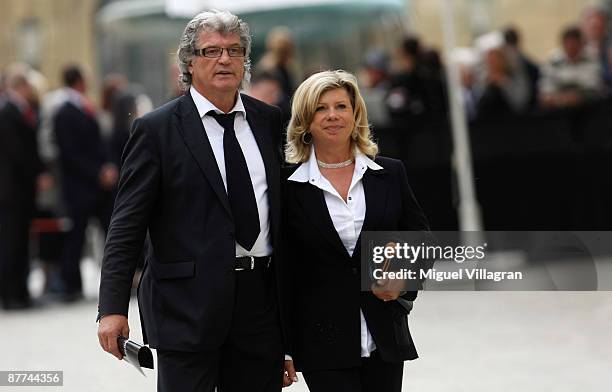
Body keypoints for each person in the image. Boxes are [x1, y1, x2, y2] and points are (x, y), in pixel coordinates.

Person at [97, 10, 294, 392]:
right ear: (189, 62)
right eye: (211, 51)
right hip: (185, 308)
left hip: (261, 307)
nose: (225, 60)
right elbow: (126, 225)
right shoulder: (155, 130)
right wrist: (112, 307)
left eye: (235, 50)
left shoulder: (268, 121)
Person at [283, 70, 429, 392]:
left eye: (341, 106)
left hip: (384, 336)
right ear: (305, 120)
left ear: (355, 114)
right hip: (320, 340)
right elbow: (282, 272)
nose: (333, 115)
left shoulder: (390, 173)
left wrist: (403, 281)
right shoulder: (287, 187)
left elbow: (420, 238)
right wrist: (284, 346)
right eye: (321, 108)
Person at [53, 65, 118, 301]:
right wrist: (97, 173)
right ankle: (71, 286)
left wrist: (108, 167)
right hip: (80, 187)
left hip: (98, 187)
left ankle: (114, 283)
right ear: (78, 80)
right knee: (75, 237)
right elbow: (70, 153)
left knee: (111, 234)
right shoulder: (64, 112)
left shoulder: (85, 107)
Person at [0, 63, 50, 310]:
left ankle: (20, 291)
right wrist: (38, 172)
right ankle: (11, 294)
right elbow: (18, 152)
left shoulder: (18, 110)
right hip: (12, 191)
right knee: (12, 243)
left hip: (19, 191)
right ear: (21, 85)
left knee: (20, 242)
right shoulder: (8, 111)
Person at [539, 26, 603, 108]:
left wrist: (577, 97)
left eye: (574, 44)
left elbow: (594, 87)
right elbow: (546, 88)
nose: (571, 47)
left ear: (581, 44)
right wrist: (561, 98)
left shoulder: (592, 58)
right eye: (568, 44)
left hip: (587, 108)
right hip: (558, 109)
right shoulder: (553, 60)